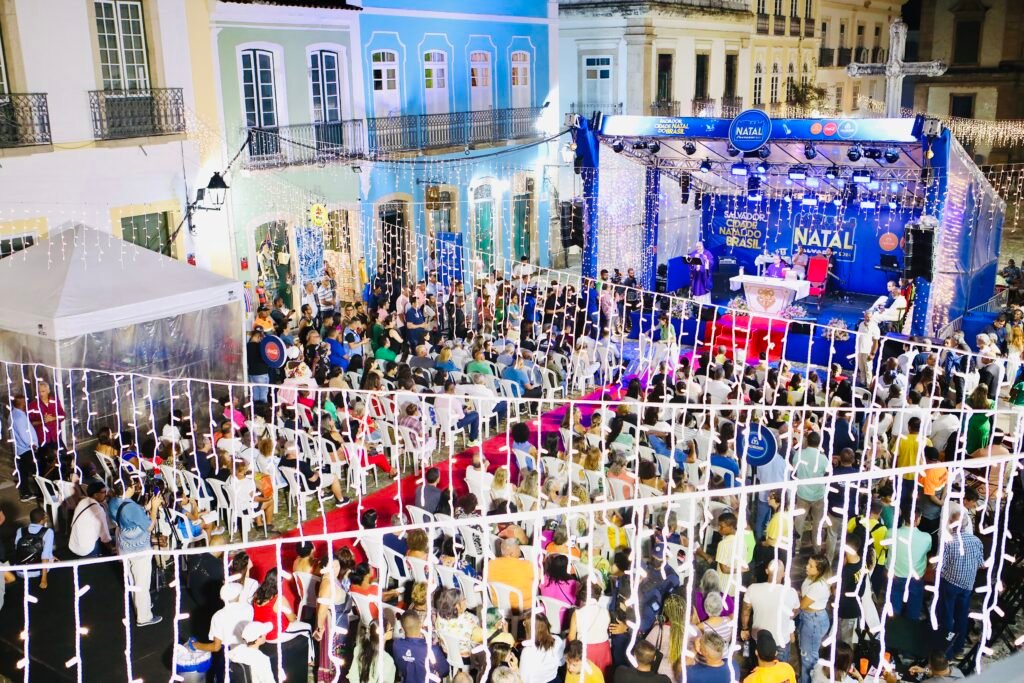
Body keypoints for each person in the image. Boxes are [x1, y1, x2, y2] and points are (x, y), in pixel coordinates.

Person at [108, 480, 164, 627]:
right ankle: (144, 617)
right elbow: (150, 527)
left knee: (133, 581)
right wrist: (154, 509)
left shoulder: (113, 502)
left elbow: (128, 515)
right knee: (142, 584)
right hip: (139, 549)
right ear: (127, 488)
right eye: (133, 484)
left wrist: (146, 507)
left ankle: (141, 605)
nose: (135, 486)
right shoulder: (131, 507)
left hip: (125, 546)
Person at [937, 512, 984, 657]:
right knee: (961, 617)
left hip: (950, 583)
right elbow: (981, 563)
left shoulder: (949, 542)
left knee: (947, 616)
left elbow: (941, 567)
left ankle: (947, 651)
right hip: (968, 585)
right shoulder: (976, 541)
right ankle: (959, 648)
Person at [741, 560, 800, 662]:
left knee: (761, 667)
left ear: (767, 571)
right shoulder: (791, 592)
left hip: (760, 638)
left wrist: (745, 628)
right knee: (780, 669)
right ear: (784, 574)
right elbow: (796, 610)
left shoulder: (753, 589)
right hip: (781, 640)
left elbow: (745, 611)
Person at [887, 506, 931, 620]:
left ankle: (892, 627)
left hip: (895, 576)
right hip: (916, 577)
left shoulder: (891, 533)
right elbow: (927, 551)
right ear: (918, 519)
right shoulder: (927, 538)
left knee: (893, 608)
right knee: (913, 610)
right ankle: (910, 627)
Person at [798, 554, 832, 683]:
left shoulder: (818, 586)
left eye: (811, 566)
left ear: (819, 570)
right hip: (809, 618)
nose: (807, 567)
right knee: (807, 652)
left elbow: (802, 605)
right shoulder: (811, 577)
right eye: (808, 563)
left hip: (813, 622)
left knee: (808, 658)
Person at [392, 609, 450, 683]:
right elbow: (445, 671)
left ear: (402, 629)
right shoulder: (432, 649)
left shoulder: (396, 645)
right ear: (420, 625)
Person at [67, 481, 112, 558]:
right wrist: (111, 549)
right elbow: (105, 537)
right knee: (109, 543)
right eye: (104, 492)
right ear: (95, 494)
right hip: (86, 550)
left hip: (73, 544)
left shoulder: (82, 501)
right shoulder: (98, 510)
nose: (106, 494)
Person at [14, 507, 53, 589]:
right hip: (38, 572)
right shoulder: (48, 532)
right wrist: (44, 580)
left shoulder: (20, 530)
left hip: (21, 572)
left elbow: (18, 549)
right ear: (42, 520)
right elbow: (45, 556)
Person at [518, 613, 564, 683]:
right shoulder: (557, 640)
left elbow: (523, 679)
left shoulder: (527, 651)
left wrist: (515, 668)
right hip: (555, 680)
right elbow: (561, 662)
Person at [11, 394, 39, 502]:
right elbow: (24, 434)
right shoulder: (18, 417)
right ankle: (39, 492)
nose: (26, 403)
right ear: (21, 403)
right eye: (24, 401)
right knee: (36, 471)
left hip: (20, 449)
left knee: (22, 472)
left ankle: (25, 493)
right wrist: (32, 444)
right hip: (26, 449)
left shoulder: (14, 414)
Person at [27, 380, 64, 447]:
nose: (41, 394)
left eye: (43, 391)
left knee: (63, 453)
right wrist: (42, 421)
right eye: (39, 392)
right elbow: (30, 423)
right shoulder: (32, 405)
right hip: (42, 439)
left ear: (48, 391)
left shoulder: (55, 401)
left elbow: (63, 416)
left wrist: (53, 418)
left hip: (55, 436)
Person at [246, 329, 271, 404]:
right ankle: (263, 410)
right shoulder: (261, 346)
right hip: (262, 373)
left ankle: (256, 409)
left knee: (255, 395)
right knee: (263, 395)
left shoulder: (247, 346)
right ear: (258, 337)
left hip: (252, 373)